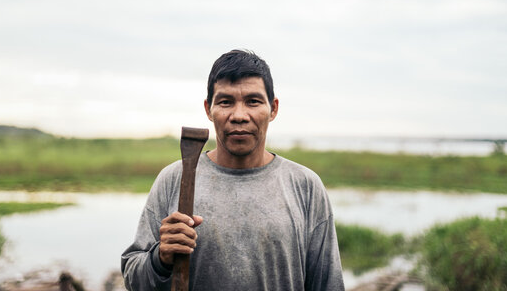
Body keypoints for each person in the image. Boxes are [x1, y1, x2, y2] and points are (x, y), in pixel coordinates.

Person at [121, 49, 344, 291]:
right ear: (209, 109)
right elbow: (134, 279)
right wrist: (160, 258)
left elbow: (328, 284)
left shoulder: (305, 186)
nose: (239, 116)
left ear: (273, 109)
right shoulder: (174, 179)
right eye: (226, 102)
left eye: (253, 101)